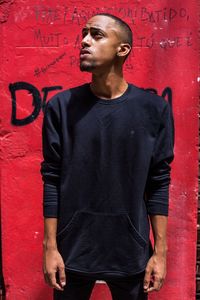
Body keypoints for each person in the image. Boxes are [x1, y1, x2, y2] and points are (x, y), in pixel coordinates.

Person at [40, 13, 174, 300]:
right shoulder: (61, 108)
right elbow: (51, 179)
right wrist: (50, 247)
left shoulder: (153, 110)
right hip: (71, 251)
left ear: (122, 49)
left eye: (97, 35)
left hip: (131, 251)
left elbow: (158, 182)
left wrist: (160, 253)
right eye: (84, 34)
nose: (85, 41)